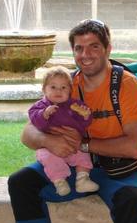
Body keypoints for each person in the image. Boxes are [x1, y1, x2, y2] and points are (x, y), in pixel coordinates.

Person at [8, 19, 137, 223]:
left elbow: (133, 147)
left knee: (133, 204)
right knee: (21, 182)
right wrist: (49, 140)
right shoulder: (67, 84)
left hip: (119, 171)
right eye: (79, 48)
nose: (86, 55)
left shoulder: (127, 86)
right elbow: (28, 133)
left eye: (94, 47)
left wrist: (84, 145)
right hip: (73, 167)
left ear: (108, 49)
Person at [28, 66, 99, 196]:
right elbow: (34, 120)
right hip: (49, 146)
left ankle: (82, 179)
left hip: (72, 143)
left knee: (83, 153)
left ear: (70, 91)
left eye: (63, 87)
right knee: (49, 158)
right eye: (53, 87)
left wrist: (85, 116)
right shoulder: (41, 106)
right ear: (44, 89)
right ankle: (59, 182)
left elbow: (83, 125)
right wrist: (44, 114)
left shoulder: (74, 105)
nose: (58, 91)